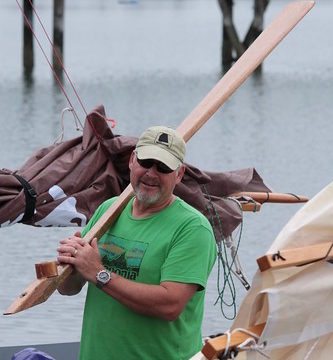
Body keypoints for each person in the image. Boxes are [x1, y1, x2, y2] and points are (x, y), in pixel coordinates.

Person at [57, 126, 217, 360]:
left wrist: (100, 274)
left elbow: (170, 305)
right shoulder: (108, 210)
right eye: (146, 162)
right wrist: (71, 263)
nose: (151, 174)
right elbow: (68, 289)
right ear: (132, 160)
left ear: (179, 174)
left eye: (163, 167)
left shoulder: (193, 229)